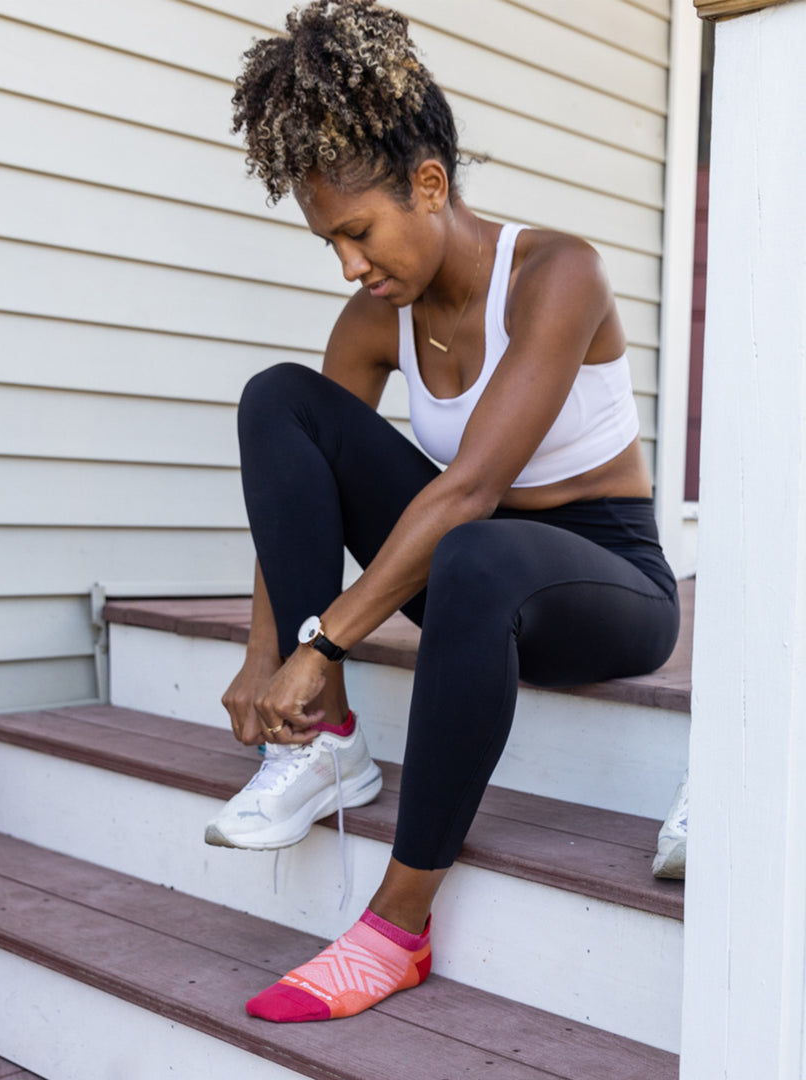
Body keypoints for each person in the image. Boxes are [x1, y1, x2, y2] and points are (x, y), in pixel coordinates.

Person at [206, 0, 680, 1024]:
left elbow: (465, 490)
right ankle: (323, 745)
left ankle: (397, 925)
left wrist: (326, 640)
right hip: (472, 571)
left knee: (471, 548)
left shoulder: (559, 275)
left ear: (429, 185)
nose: (350, 265)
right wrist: (267, 651)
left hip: (602, 588)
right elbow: (307, 481)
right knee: (280, 399)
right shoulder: (376, 319)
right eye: (331, 242)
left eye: (360, 233)